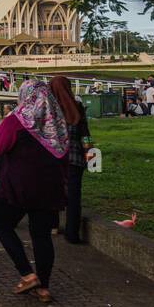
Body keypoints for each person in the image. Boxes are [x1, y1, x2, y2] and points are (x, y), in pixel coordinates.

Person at [0, 79, 69, 303]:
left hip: (17, 187)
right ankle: (44, 288)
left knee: (2, 224)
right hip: (48, 188)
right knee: (41, 236)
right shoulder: (56, 123)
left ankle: (27, 273)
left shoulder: (14, 122)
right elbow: (64, 154)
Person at [50, 75, 90, 244]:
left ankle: (53, 225)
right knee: (74, 196)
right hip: (75, 158)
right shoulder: (78, 107)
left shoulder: (49, 108)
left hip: (53, 159)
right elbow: (85, 135)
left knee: (52, 193)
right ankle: (72, 233)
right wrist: (89, 154)